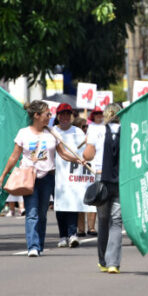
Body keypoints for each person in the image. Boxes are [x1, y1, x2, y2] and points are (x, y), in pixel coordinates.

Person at [0, 101, 83, 257]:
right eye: (47, 114)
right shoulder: (23, 133)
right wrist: (2, 176)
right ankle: (33, 246)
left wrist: (77, 159)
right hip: (29, 177)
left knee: (42, 214)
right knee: (32, 213)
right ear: (36, 115)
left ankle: (39, 244)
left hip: (48, 178)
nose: (50, 117)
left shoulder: (53, 133)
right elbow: (14, 156)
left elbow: (62, 153)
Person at [83, 104, 122, 273]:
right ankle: (113, 262)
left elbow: (88, 155)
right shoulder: (126, 129)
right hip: (120, 178)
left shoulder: (94, 130)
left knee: (103, 221)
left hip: (101, 178)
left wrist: (87, 149)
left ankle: (103, 260)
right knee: (116, 222)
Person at [52, 103, 87, 248]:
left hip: (73, 173)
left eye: (68, 114)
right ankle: (63, 235)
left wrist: (84, 158)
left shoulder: (78, 132)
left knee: (72, 203)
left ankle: (73, 234)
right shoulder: (52, 131)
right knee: (60, 206)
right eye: (62, 114)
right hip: (56, 175)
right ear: (58, 116)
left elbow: (85, 151)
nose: (65, 117)